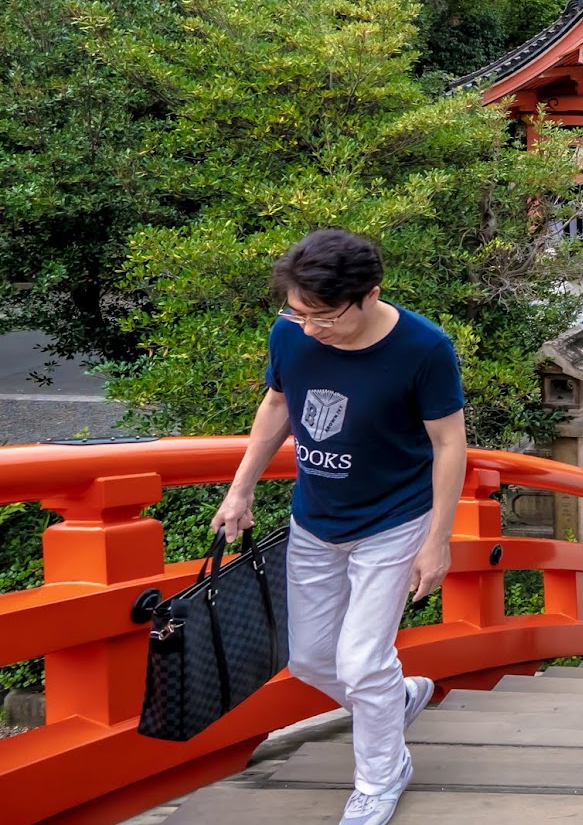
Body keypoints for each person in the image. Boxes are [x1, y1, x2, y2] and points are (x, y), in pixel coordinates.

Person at [212, 229, 466, 825]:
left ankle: (381, 775)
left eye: (322, 316)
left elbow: (449, 443)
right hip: (316, 515)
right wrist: (241, 486)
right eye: (296, 312)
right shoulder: (290, 333)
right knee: (308, 658)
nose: (308, 328)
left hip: (394, 517)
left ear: (369, 295)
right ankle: (397, 698)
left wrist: (438, 541)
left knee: (359, 661)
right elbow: (278, 403)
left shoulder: (423, 347)